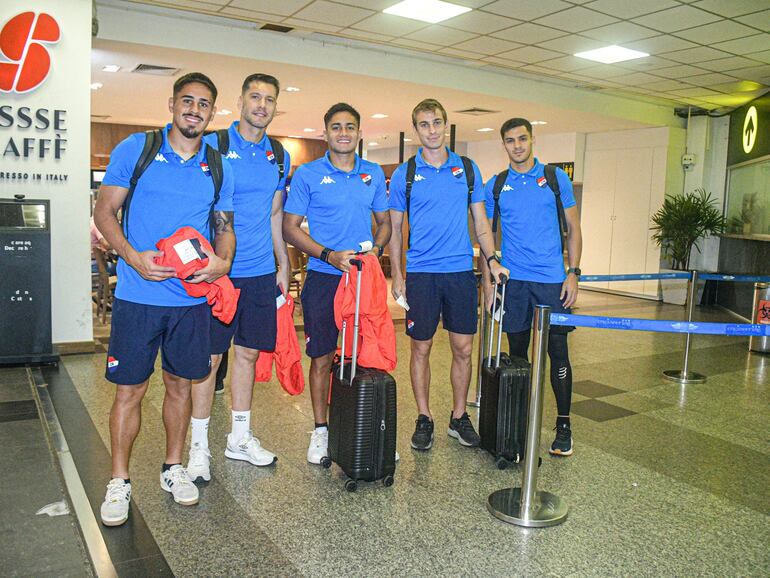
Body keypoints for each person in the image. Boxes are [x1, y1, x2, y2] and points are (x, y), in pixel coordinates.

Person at [94, 72, 235, 526]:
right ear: (172, 104)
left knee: (180, 386)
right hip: (139, 297)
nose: (195, 109)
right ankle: (119, 480)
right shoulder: (138, 148)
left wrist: (222, 263)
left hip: (190, 303)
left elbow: (224, 227)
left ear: (212, 112)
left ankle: (173, 468)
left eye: (204, 104)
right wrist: (133, 258)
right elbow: (104, 210)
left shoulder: (217, 164)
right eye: (187, 101)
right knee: (130, 390)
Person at [186, 73, 291, 483]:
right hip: (218, 274)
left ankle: (239, 438)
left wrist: (283, 262)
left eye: (269, 99)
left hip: (261, 272)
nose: (261, 105)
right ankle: (198, 446)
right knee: (209, 360)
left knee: (247, 354)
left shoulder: (278, 154)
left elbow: (275, 214)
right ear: (241, 100)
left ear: (275, 106)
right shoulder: (213, 146)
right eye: (255, 97)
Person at [388, 99, 507, 452]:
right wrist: (397, 274)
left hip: (459, 272)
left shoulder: (467, 170)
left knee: (463, 348)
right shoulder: (404, 174)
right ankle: (424, 417)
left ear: (446, 125)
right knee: (420, 348)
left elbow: (482, 223)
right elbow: (395, 229)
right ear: (416, 130)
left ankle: (458, 417)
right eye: (424, 124)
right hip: (422, 273)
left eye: (437, 122)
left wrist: (492, 261)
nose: (432, 130)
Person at [283, 102, 391, 464]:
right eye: (336, 127)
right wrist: (328, 255)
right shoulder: (308, 175)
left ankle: (359, 424)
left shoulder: (373, 173)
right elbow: (289, 227)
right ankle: (320, 430)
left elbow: (385, 222)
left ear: (359, 133)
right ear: (325, 132)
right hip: (324, 279)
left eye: (350, 127)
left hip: (364, 282)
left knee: (367, 356)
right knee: (322, 358)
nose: (343, 133)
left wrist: (375, 248)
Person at [481, 117, 582, 457]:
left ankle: (563, 425)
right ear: (504, 145)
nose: (518, 146)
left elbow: (573, 227)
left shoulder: (555, 179)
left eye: (522, 139)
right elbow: (485, 237)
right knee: (519, 357)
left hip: (553, 282)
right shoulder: (495, 185)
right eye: (510, 141)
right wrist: (489, 284)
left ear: (532, 139)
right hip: (516, 284)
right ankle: (520, 423)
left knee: (558, 354)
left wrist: (574, 273)